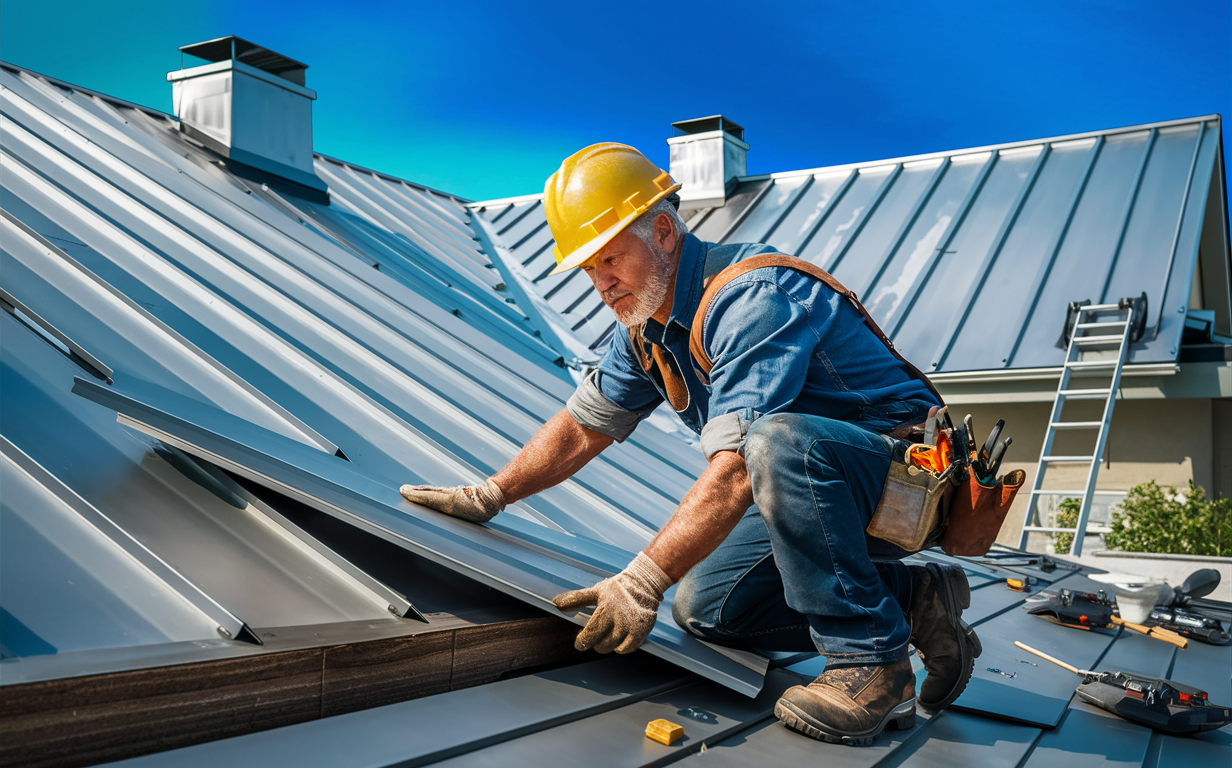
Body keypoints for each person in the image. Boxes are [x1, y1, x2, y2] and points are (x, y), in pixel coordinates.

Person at [401, 143, 981, 745]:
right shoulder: (644, 327)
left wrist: (641, 580)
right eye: (588, 269)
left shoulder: (753, 297)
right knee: (707, 608)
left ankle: (871, 666)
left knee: (775, 440)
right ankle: (915, 602)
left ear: (662, 231)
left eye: (610, 259)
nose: (601, 283)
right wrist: (490, 494)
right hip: (808, 484)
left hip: (899, 484)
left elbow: (735, 470)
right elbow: (582, 426)